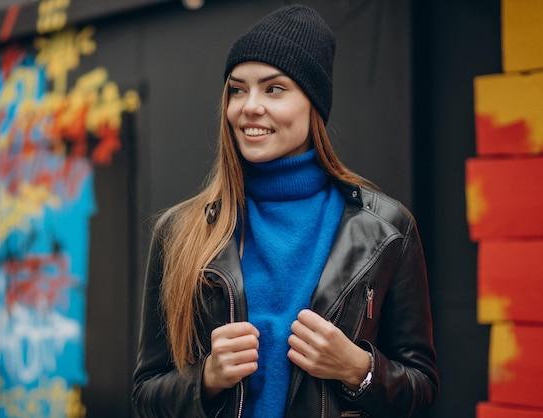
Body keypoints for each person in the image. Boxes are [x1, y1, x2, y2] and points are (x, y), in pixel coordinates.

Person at [132, 4, 439, 418]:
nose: (249, 106)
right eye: (237, 89)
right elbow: (145, 396)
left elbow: (421, 389)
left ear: (313, 104)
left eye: (273, 89)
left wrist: (358, 369)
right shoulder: (179, 232)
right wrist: (205, 379)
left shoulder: (386, 230)